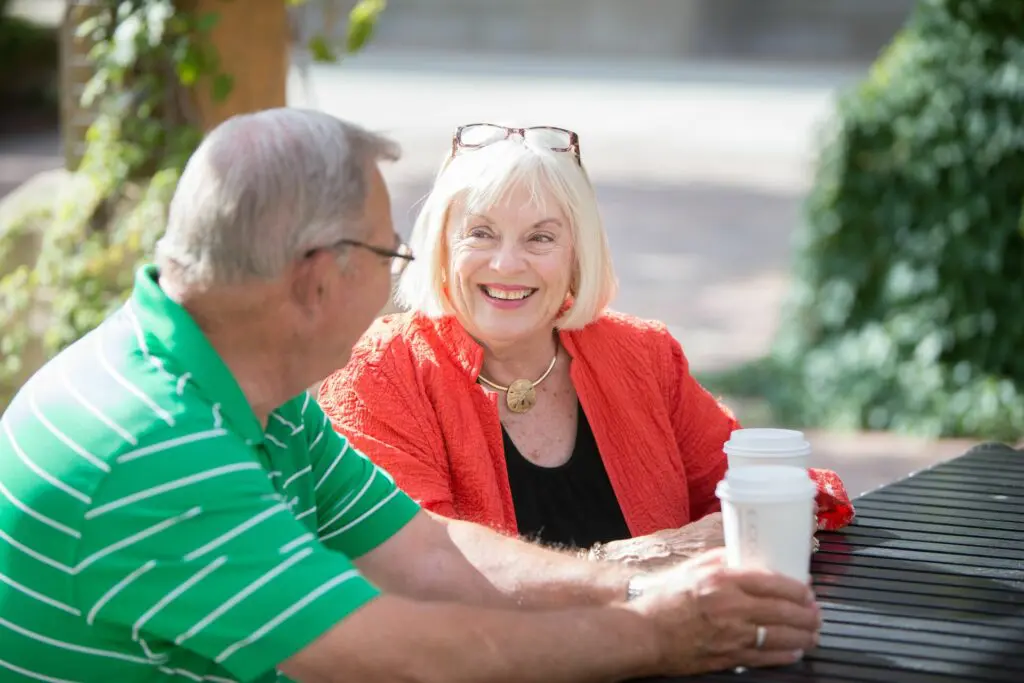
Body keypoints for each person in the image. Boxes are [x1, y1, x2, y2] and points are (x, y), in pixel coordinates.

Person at [0, 109, 820, 683]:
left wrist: (643, 588)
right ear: (321, 277)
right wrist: (653, 635)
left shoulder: (255, 390)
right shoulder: (155, 444)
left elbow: (429, 554)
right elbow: (396, 656)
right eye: (392, 251)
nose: (407, 277)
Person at [318, 123, 854, 567]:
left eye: (540, 237)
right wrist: (636, 559)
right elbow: (421, 563)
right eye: (480, 233)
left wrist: (769, 513)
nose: (506, 264)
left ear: (578, 255)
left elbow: (773, 490)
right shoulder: (380, 369)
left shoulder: (642, 355)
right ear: (441, 247)